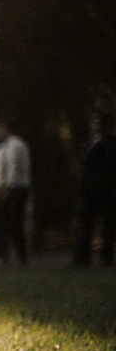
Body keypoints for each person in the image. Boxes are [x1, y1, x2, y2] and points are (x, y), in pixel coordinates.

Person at [73, 113, 116, 267]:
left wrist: (100, 183)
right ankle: (82, 258)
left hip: (104, 190)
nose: (93, 124)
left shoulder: (109, 141)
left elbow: (109, 167)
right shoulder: (90, 142)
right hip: (88, 190)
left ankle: (106, 257)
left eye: (95, 121)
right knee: (85, 223)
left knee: (107, 224)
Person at [0, 119, 31, 264]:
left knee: (15, 223)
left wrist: (5, 190)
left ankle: (21, 257)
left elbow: (14, 170)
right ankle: (5, 255)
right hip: (3, 191)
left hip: (17, 189)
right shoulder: (0, 149)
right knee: (2, 223)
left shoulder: (16, 145)